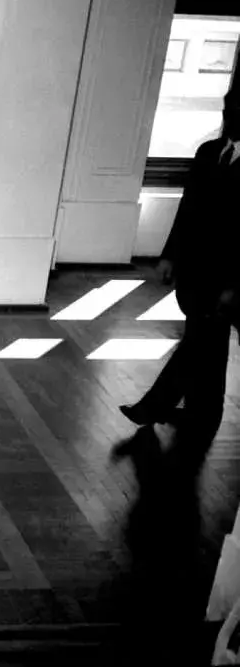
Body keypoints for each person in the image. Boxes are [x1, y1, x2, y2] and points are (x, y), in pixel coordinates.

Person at [120, 86, 240, 438]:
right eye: (227, 113)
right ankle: (206, 413)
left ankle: (153, 407)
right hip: (196, 270)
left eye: (236, 114)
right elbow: (187, 210)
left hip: (229, 276)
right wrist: (169, 256)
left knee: (199, 342)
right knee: (208, 343)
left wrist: (235, 286)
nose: (229, 121)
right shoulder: (208, 153)